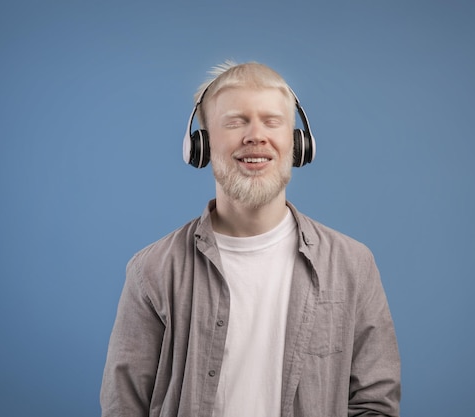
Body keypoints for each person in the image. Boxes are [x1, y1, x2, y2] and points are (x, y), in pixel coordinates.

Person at [100, 61, 401, 417]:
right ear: (202, 145)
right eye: (236, 121)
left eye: (272, 121)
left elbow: (374, 404)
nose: (255, 135)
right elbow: (124, 407)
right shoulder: (151, 270)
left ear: (298, 142)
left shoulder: (353, 264)